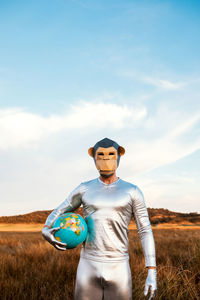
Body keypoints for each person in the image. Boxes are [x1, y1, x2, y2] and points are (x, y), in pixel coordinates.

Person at [42, 138, 157, 300]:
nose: (106, 159)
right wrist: (46, 229)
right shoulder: (84, 188)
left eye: (111, 154)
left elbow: (145, 230)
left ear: (119, 155)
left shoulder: (132, 191)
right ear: (93, 156)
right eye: (101, 155)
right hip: (88, 264)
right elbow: (60, 210)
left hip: (119, 266)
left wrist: (152, 270)